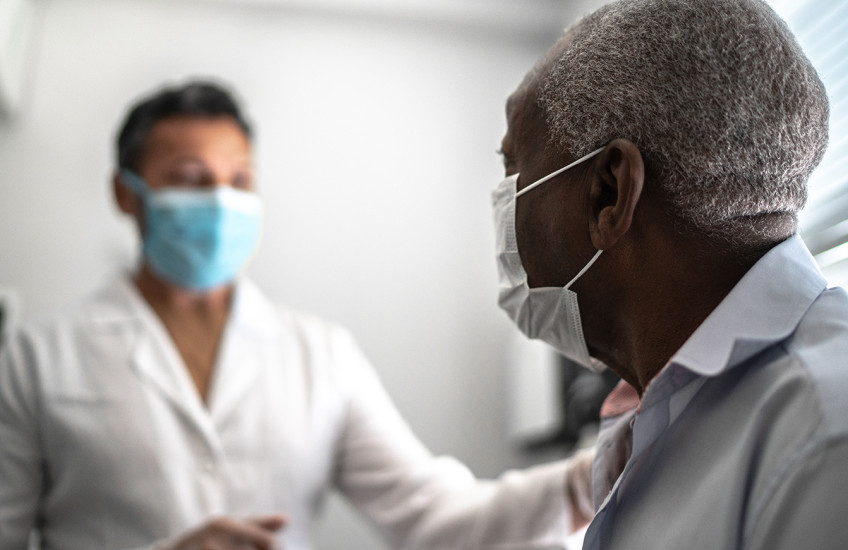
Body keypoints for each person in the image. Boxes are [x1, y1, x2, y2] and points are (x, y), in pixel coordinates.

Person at [0, 80, 595, 550]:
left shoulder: (319, 355)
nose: (220, 201)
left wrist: (585, 479)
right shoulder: (33, 359)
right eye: (190, 180)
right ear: (126, 194)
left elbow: (435, 517)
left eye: (238, 181)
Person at [492, 0, 848, 548]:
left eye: (514, 169)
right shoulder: (666, 411)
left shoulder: (823, 442)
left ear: (609, 194)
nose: (504, 204)